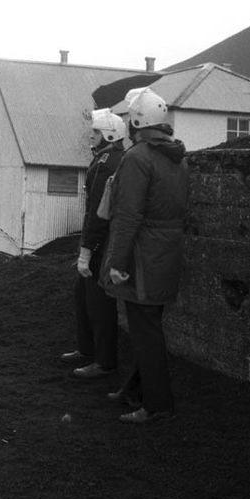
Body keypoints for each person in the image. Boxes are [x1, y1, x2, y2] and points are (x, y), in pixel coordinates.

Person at [99, 87, 189, 424]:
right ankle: (134, 390)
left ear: (137, 122)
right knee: (148, 326)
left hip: (143, 256)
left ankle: (157, 404)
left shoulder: (138, 158)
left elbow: (128, 216)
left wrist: (116, 262)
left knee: (146, 332)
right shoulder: (178, 157)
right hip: (165, 252)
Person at [61, 108, 126, 379]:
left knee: (98, 303)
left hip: (101, 242)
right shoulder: (113, 159)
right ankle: (88, 349)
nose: (92, 135)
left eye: (96, 131)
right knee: (83, 294)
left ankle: (104, 360)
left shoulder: (104, 164)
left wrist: (87, 249)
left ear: (109, 134)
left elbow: (97, 213)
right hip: (104, 239)